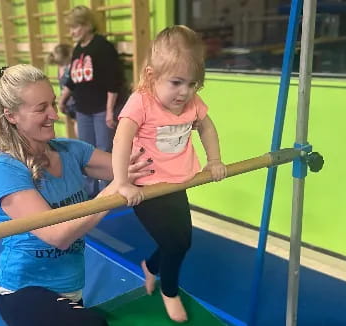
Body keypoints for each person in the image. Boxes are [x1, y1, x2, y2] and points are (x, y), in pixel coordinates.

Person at [0, 64, 153, 326]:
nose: (54, 114)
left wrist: (165, 125)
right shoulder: (5, 171)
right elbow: (58, 235)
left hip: (71, 290)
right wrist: (115, 188)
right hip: (24, 292)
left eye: (53, 103)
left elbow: (134, 168)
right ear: (11, 116)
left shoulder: (70, 150)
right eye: (41, 108)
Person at [111, 26, 227, 323]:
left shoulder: (191, 103)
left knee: (183, 241)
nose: (185, 92)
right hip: (147, 187)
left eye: (192, 84)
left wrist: (214, 161)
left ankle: (150, 266)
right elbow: (122, 138)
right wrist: (123, 182)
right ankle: (170, 291)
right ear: (152, 77)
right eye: (176, 82)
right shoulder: (142, 101)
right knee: (174, 243)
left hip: (175, 183)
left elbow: (207, 127)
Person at [58, 5, 126, 198]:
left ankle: (109, 191)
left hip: (101, 109)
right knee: (86, 152)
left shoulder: (102, 47)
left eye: (75, 27)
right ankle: (89, 189)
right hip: (83, 109)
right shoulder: (78, 49)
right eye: (70, 28)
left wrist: (110, 110)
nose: (72, 32)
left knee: (104, 150)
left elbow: (113, 81)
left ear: (87, 25)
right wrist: (63, 99)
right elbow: (72, 79)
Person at [47, 43, 78, 137]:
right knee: (78, 123)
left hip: (67, 103)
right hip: (71, 101)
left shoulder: (60, 68)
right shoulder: (70, 67)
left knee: (76, 122)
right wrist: (61, 101)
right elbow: (68, 89)